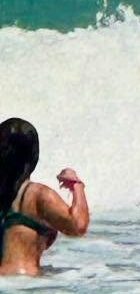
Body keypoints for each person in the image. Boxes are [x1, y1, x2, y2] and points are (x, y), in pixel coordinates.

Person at [0, 117, 89, 277]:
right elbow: (78, 225)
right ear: (33, 155)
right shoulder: (37, 195)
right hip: (23, 282)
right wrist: (76, 185)